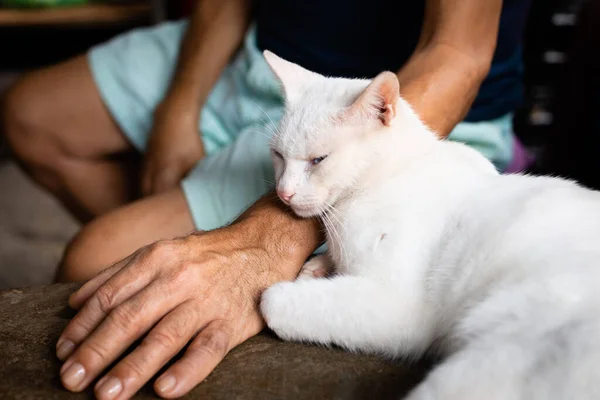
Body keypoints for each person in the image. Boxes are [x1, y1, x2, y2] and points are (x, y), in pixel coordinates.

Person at [1, 0, 532, 398]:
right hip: (274, 65)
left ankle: (201, 261)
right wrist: (179, 108)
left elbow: (457, 53)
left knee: (94, 259)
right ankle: (186, 244)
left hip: (384, 107)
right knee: (29, 115)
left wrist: (264, 239)